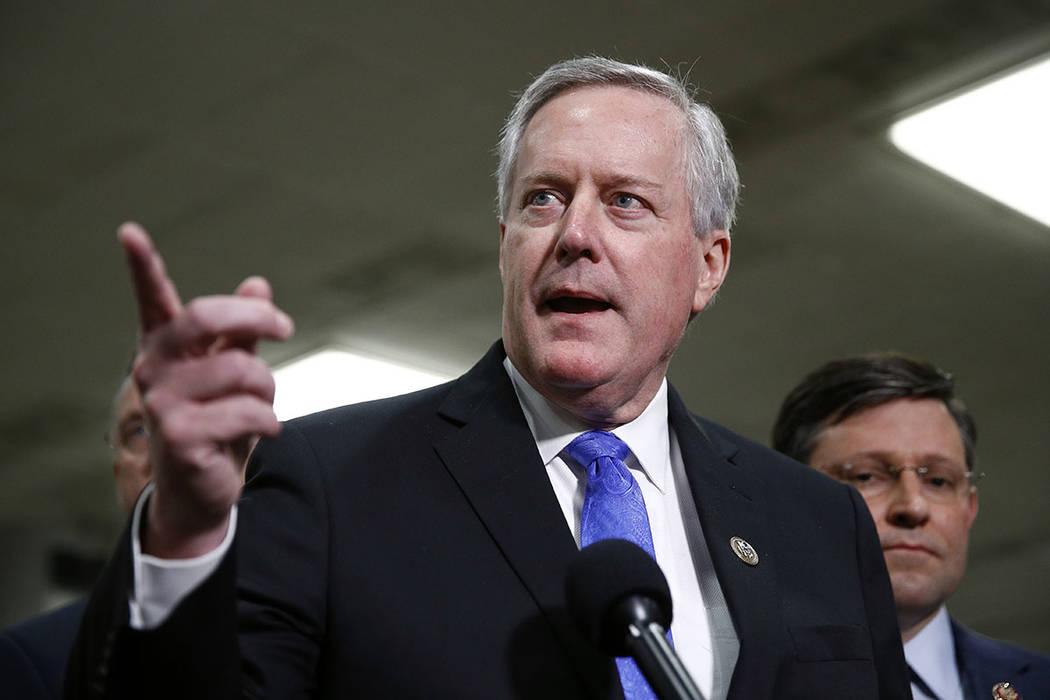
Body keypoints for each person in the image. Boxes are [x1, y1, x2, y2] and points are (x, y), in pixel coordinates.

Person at [66, 57, 910, 699]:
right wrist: (181, 533)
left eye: (625, 202)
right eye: (543, 198)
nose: (575, 233)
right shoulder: (332, 482)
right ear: (505, 239)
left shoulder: (818, 523)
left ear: (707, 264)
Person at [772, 353, 1050, 700]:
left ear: (970, 509)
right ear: (786, 501)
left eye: (938, 481)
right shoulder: (721, 678)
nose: (913, 507)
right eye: (866, 476)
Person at [0, 377, 150, 699]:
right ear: (119, 475)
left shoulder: (281, 626)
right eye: (141, 431)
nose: (173, 451)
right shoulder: (37, 661)